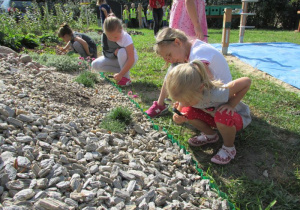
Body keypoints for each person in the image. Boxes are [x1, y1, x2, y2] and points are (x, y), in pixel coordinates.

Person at [165, 60, 251, 164]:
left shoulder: (216, 94)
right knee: (186, 111)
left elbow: (246, 81)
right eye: (179, 100)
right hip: (215, 118)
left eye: (187, 101)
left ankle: (229, 148)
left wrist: (231, 105)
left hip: (236, 118)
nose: (183, 103)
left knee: (222, 116)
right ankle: (210, 135)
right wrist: (178, 118)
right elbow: (178, 113)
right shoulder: (188, 95)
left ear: (201, 89)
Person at [145, 27, 232, 117]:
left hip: (219, 95)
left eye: (169, 55)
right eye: (166, 59)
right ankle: (160, 104)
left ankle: (161, 105)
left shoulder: (197, 53)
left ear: (177, 42)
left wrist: (184, 97)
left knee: (175, 70)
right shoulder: (189, 49)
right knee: (173, 68)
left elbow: (210, 81)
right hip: (212, 92)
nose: (170, 60)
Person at [91, 16, 138, 86]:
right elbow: (105, 53)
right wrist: (113, 54)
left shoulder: (126, 38)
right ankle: (122, 72)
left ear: (121, 30)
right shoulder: (104, 36)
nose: (113, 39)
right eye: (109, 37)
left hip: (129, 60)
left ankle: (125, 78)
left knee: (121, 52)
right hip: (115, 59)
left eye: (115, 37)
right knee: (95, 65)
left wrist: (121, 74)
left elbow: (131, 59)